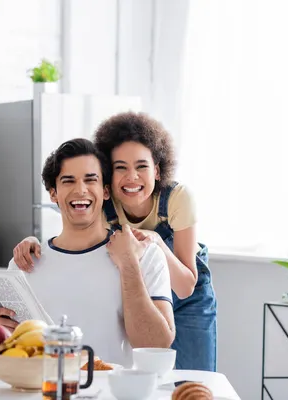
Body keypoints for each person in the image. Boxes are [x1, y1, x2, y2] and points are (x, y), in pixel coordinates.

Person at [12, 112, 218, 372]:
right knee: (154, 378)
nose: (131, 177)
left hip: (186, 290)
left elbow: (187, 286)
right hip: (141, 280)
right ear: (109, 181)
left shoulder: (177, 198)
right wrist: (32, 241)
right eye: (121, 167)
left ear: (157, 169)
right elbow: (74, 217)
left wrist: (154, 241)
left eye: (141, 166)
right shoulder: (107, 199)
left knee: (193, 377)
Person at [0, 138, 175, 367]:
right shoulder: (23, 264)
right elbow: (13, 352)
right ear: (53, 193)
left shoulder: (145, 255)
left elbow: (156, 345)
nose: (80, 190)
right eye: (68, 181)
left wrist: (128, 265)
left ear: (105, 191)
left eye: (90, 180)